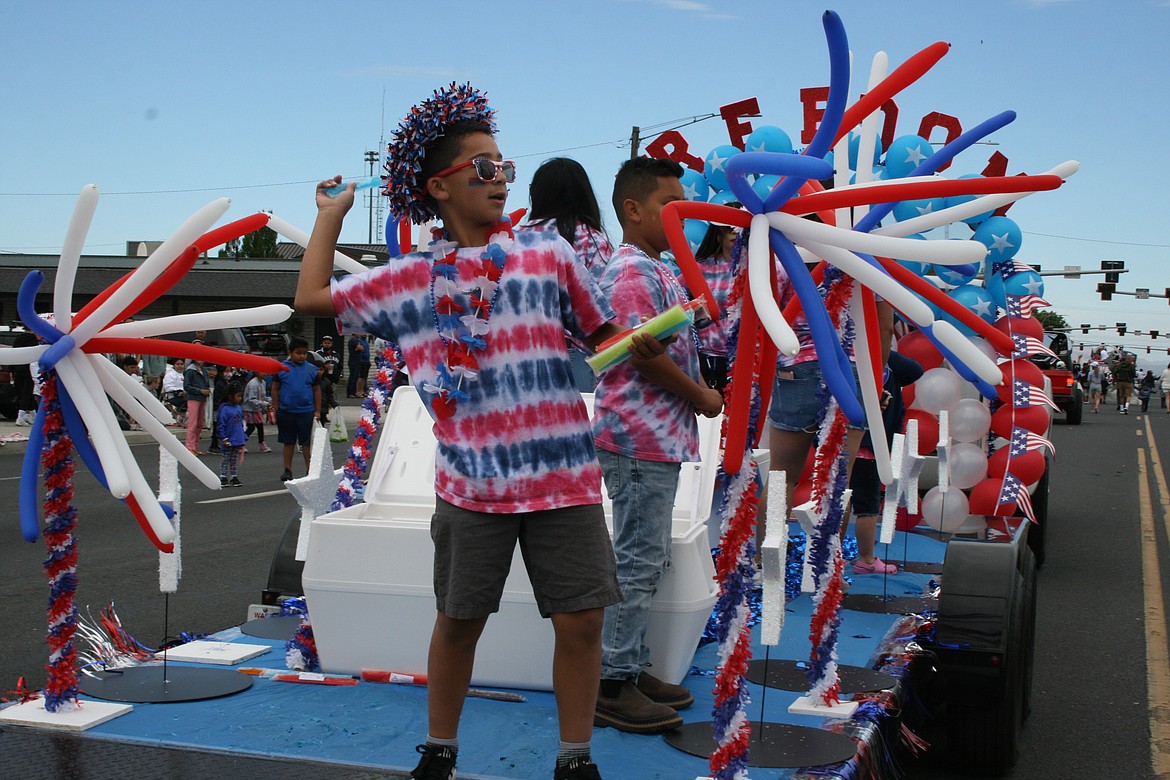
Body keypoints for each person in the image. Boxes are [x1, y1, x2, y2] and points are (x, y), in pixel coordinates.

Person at [291, 82, 663, 780]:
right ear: (439, 186)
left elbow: (601, 332)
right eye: (483, 168)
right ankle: (440, 750)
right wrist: (330, 217)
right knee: (460, 620)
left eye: (504, 166)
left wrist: (638, 344)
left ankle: (575, 757)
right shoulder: (408, 280)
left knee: (582, 622)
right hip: (473, 485)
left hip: (565, 479)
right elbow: (309, 297)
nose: (499, 179)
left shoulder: (547, 253)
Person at [591, 157, 723, 734]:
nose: (679, 216)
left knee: (646, 555)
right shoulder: (631, 272)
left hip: (655, 436)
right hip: (637, 435)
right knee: (637, 558)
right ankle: (611, 682)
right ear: (633, 208)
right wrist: (699, 394)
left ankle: (631, 664)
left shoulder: (656, 267)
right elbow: (643, 356)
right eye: (670, 205)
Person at [526, 157, 615, 393]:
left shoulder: (516, 237)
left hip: (523, 352)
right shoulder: (592, 240)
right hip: (576, 355)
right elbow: (604, 304)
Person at [848, 351, 923, 574]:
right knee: (867, 507)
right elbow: (914, 369)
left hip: (849, 444)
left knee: (841, 502)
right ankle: (866, 559)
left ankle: (833, 559)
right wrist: (880, 348)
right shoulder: (880, 363)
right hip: (868, 446)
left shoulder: (841, 362)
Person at [689, 212, 741, 393]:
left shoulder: (759, 265)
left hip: (749, 358)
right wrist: (701, 314)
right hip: (710, 359)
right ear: (718, 234)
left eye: (741, 228)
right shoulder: (700, 268)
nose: (735, 233)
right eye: (729, 229)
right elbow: (674, 300)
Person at [271, 336, 320, 482]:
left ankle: (309, 469)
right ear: (290, 352)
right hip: (286, 411)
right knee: (288, 441)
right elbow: (275, 388)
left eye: (304, 353)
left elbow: (317, 390)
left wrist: (317, 410)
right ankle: (287, 469)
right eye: (298, 353)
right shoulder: (281, 368)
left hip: (306, 411)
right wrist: (276, 406)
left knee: (306, 443)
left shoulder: (312, 369)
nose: (302, 356)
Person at [216, 382, 247, 486]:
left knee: (233, 458)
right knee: (226, 458)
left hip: (237, 438)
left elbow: (241, 423)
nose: (240, 398)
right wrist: (223, 437)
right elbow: (221, 424)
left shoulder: (238, 408)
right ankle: (223, 476)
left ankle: (234, 476)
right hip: (228, 439)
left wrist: (243, 436)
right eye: (238, 396)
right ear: (230, 396)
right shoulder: (224, 408)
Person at [183, 356, 211, 455]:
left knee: (199, 423)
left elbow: (207, 383)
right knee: (192, 423)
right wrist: (199, 391)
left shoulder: (203, 370)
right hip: (193, 398)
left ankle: (195, 446)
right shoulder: (190, 370)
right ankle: (189, 447)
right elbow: (186, 386)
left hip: (203, 398)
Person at [12, 330, 39, 426]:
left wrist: (12, 369)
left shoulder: (18, 339)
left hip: (17, 367)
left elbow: (13, 353)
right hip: (29, 368)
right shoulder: (34, 340)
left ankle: (33, 415)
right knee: (27, 392)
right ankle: (21, 416)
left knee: (23, 392)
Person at [243, 370, 272, 452]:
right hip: (249, 408)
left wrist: (270, 400)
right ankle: (241, 443)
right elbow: (251, 399)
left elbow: (263, 396)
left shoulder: (263, 382)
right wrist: (264, 404)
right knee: (251, 427)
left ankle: (262, 444)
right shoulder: (253, 384)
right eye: (262, 371)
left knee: (260, 426)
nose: (265, 373)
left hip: (256, 408)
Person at [162, 357, 187, 425]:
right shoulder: (170, 374)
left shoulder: (185, 374)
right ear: (174, 365)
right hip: (174, 397)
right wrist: (181, 391)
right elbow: (168, 387)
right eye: (177, 364)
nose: (180, 366)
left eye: (181, 364)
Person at [347, 333, 370, 398]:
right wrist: (359, 347)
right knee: (353, 377)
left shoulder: (358, 341)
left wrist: (359, 348)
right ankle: (351, 392)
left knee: (359, 376)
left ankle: (360, 391)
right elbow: (360, 348)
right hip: (354, 361)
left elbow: (362, 348)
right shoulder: (353, 340)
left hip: (359, 361)